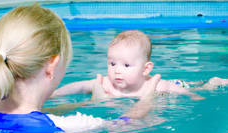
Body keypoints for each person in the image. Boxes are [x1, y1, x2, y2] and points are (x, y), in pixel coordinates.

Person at [0, 5, 160, 133]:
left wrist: (90, 104)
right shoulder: (70, 126)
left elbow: (28, 117)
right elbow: (124, 124)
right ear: (52, 65)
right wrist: (148, 96)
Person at [52, 30, 227, 101]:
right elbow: (80, 86)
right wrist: (56, 93)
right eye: (112, 63)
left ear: (146, 69)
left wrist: (193, 96)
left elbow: (180, 92)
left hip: (177, 84)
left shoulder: (155, 85)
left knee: (202, 87)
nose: (117, 70)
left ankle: (213, 82)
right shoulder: (106, 83)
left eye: (126, 65)